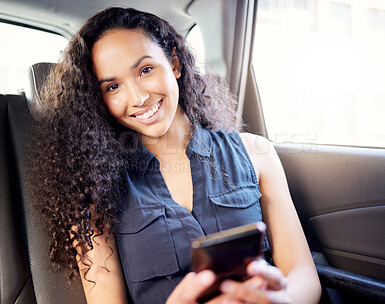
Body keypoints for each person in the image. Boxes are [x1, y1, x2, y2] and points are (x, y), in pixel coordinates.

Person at [30, 7, 321, 304]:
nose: (138, 98)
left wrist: (284, 300)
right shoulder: (95, 192)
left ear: (174, 64)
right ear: (99, 100)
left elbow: (302, 274)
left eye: (145, 70)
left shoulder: (257, 154)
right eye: (113, 86)